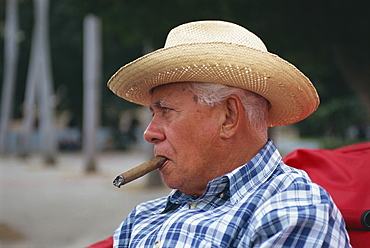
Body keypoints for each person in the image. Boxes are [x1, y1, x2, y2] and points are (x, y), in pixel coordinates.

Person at [107, 20, 351, 247]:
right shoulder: (143, 217)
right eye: (153, 114)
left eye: (166, 111)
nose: (149, 133)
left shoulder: (293, 212)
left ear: (229, 116)